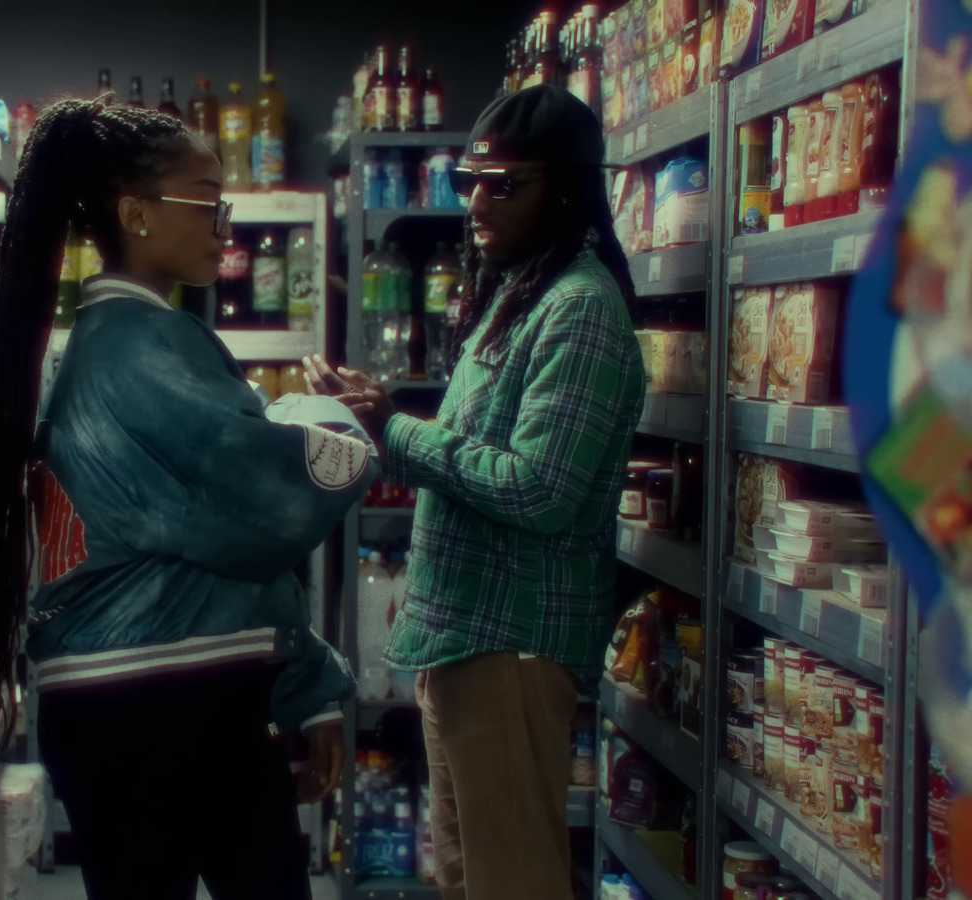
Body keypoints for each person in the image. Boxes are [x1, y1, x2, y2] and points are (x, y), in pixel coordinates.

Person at [0, 97, 377, 900]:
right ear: (136, 214)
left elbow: (219, 546)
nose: (224, 225)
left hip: (126, 702)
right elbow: (272, 502)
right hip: (171, 703)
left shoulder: (106, 345)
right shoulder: (145, 349)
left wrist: (306, 688)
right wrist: (328, 419)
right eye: (208, 200)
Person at [306, 85, 646, 900]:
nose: (478, 202)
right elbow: (479, 451)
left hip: (512, 649)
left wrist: (394, 430)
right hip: (466, 640)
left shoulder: (578, 312)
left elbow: (541, 490)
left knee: (513, 882)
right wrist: (370, 414)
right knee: (466, 880)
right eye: (469, 183)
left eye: (504, 184)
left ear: (563, 188)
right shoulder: (519, 296)